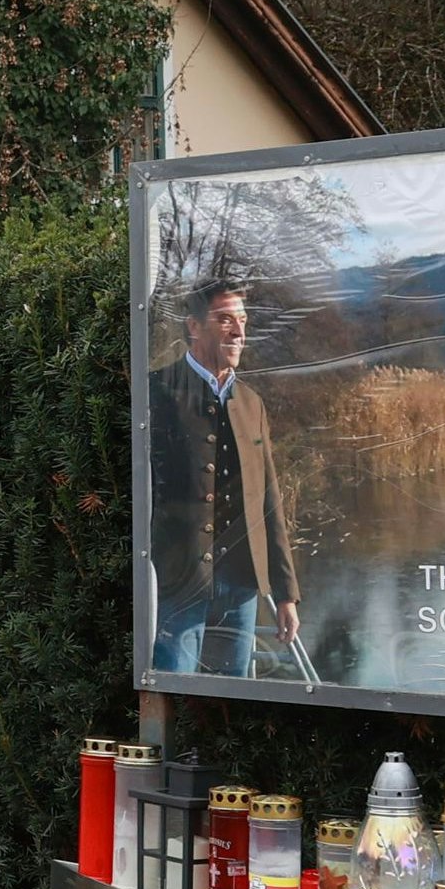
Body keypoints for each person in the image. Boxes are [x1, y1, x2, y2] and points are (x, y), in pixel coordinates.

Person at [149, 276, 301, 676]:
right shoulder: (157, 392)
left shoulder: (252, 403)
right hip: (178, 584)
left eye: (243, 320)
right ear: (194, 326)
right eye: (225, 320)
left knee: (231, 702)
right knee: (175, 692)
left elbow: (269, 500)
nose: (238, 331)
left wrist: (286, 594)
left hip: (242, 588)